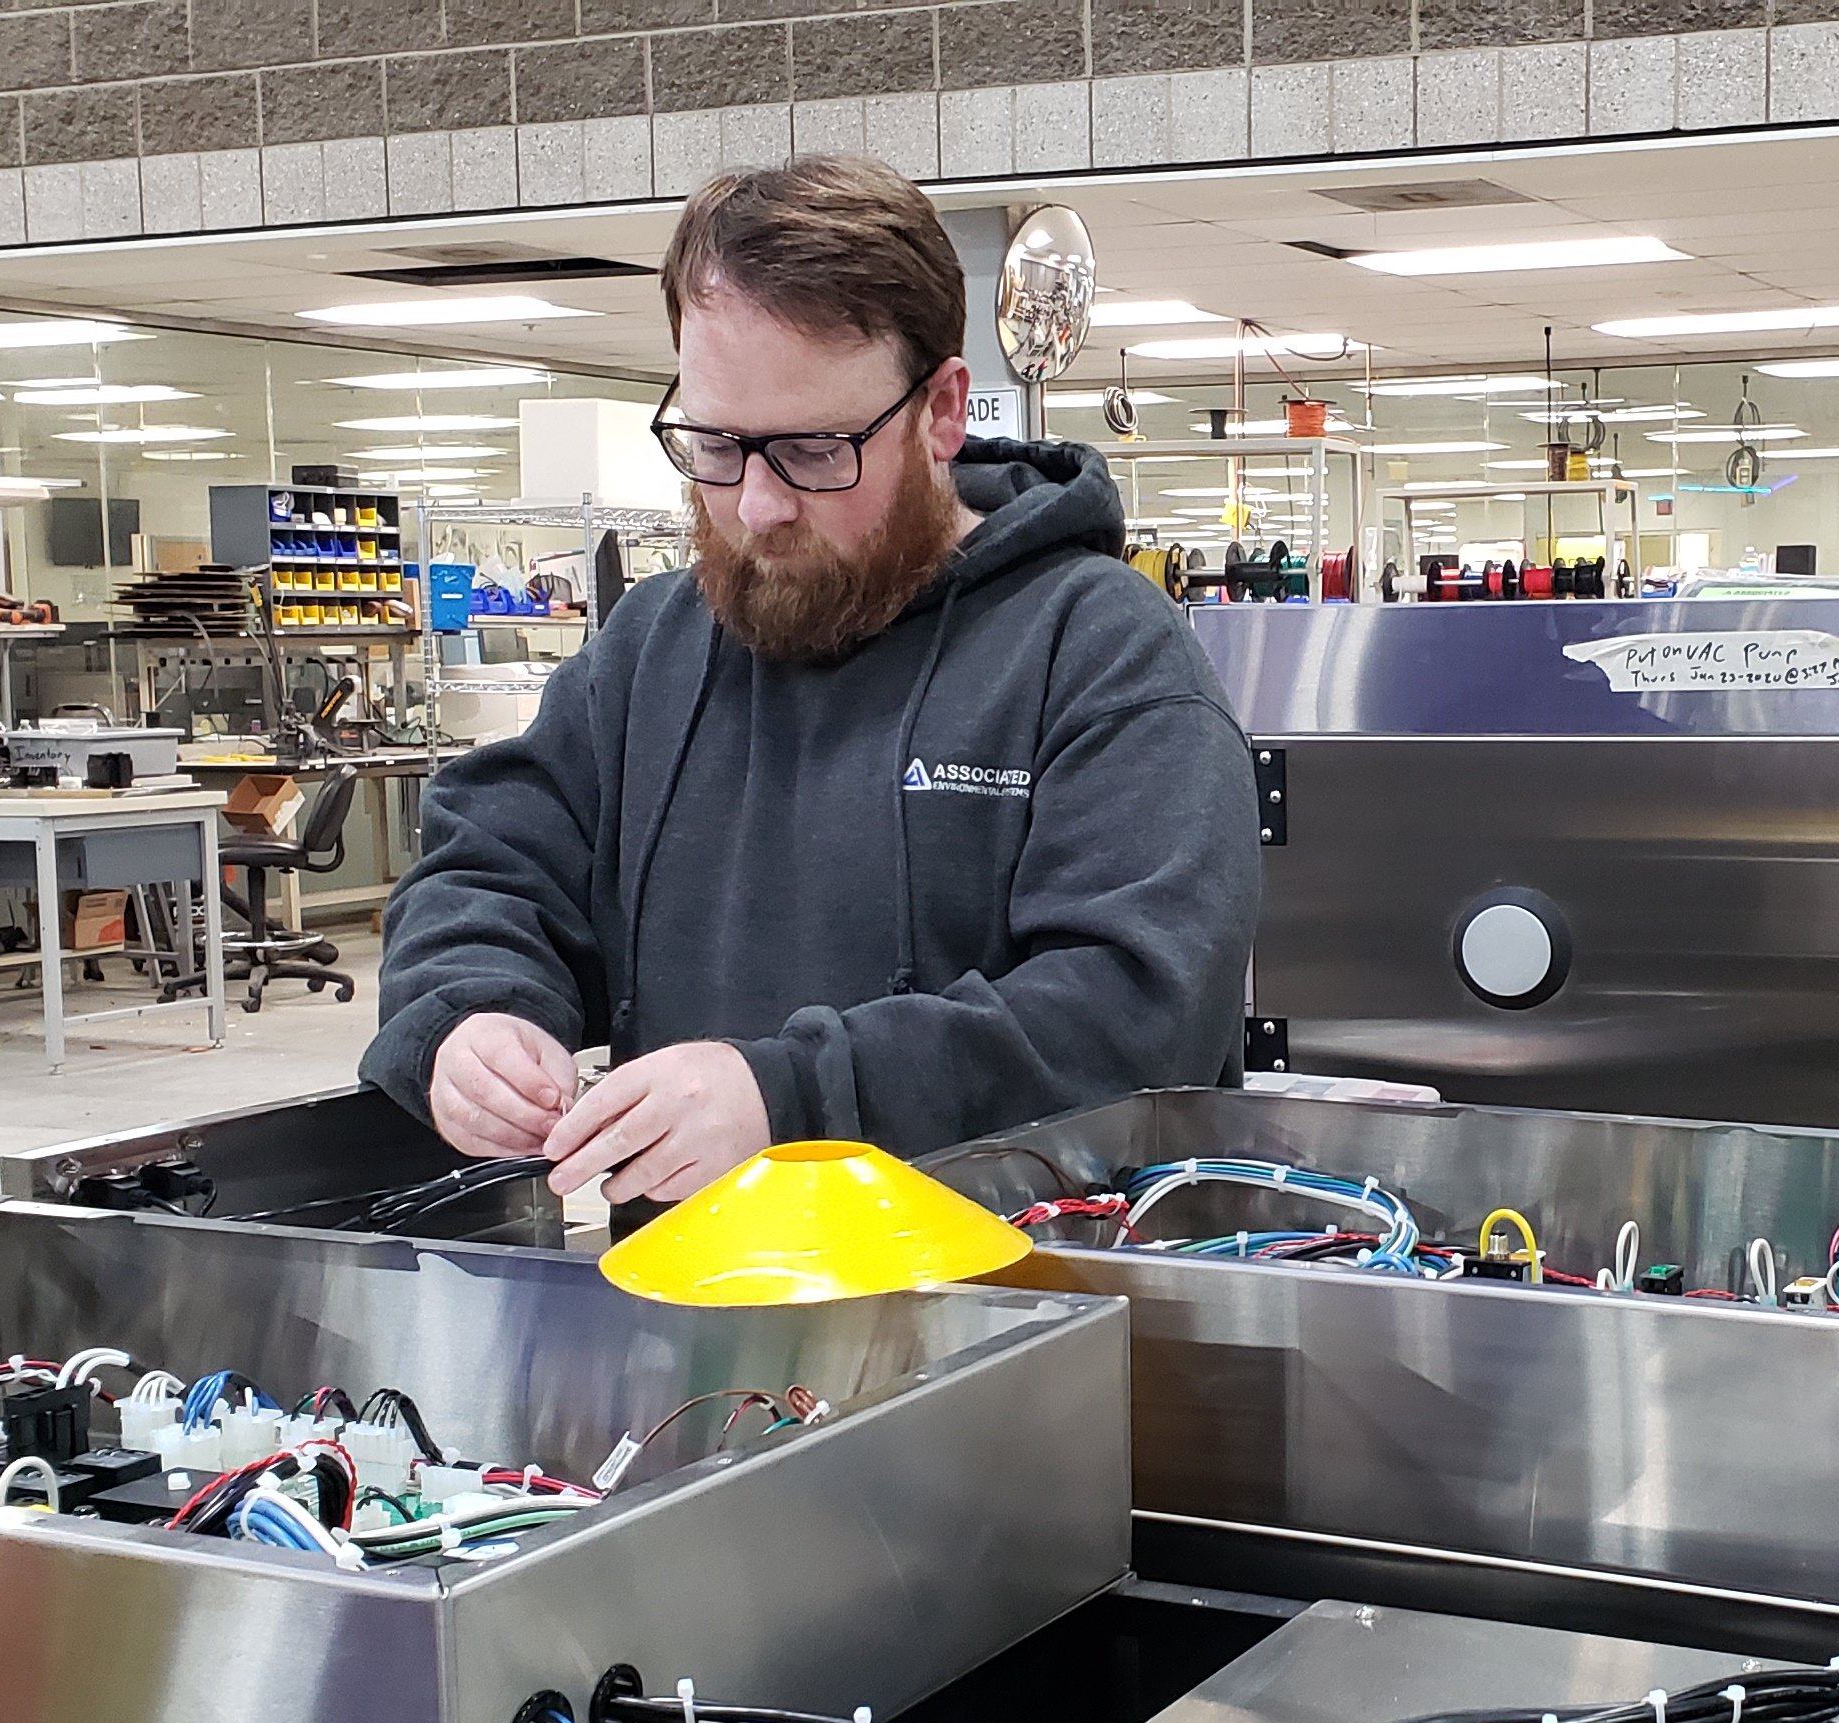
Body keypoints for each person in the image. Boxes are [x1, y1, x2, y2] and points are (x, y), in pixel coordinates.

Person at [364, 154, 1261, 1205]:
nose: (756, 508)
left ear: (941, 410)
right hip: (701, 1323)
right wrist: (471, 1012)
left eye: (811, 450)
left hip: (1028, 1319)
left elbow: (1138, 1016)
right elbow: (491, 867)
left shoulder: (1102, 654)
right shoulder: (652, 647)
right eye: (714, 444)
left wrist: (792, 1099)